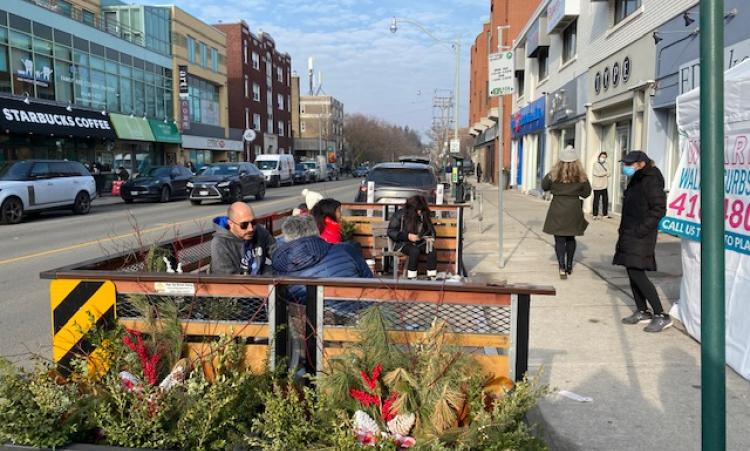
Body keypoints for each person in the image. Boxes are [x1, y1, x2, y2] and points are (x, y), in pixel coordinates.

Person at [614, 151, 671, 333]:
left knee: (637, 272)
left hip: (640, 234)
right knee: (631, 271)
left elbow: (659, 208)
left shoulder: (651, 180)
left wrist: (641, 229)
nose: (626, 167)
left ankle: (661, 314)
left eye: (629, 164)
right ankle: (642, 310)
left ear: (640, 164)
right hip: (630, 232)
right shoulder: (637, 178)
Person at [272, 215, 372, 302]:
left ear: (287, 237)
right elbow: (371, 285)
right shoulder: (346, 250)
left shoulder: (281, 267)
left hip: (304, 321)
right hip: (355, 316)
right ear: (316, 230)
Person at [542, 145, 592, 279]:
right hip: (573, 208)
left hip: (557, 207)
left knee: (559, 239)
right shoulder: (581, 175)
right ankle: (570, 265)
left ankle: (562, 267)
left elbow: (544, 186)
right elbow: (587, 193)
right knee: (571, 237)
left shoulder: (553, 174)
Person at [210, 202, 276, 275]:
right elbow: (228, 280)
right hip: (241, 284)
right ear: (231, 224)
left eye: (253, 222)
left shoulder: (259, 230)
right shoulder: (220, 244)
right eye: (244, 225)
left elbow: (277, 254)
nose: (250, 229)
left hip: (263, 281)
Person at [387, 195, 437, 279]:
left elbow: (432, 231)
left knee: (431, 250)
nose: (419, 211)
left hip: (420, 242)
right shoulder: (400, 214)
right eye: (418, 209)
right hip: (403, 243)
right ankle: (412, 277)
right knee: (414, 251)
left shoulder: (423, 215)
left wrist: (430, 238)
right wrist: (407, 236)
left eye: (421, 209)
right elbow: (391, 231)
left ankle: (432, 276)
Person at [592, 152, 610, 219]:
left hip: (604, 185)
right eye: (602, 156)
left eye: (604, 157)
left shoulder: (607, 164)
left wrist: (604, 173)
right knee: (596, 200)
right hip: (596, 186)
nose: (603, 158)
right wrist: (605, 173)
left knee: (605, 200)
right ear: (599, 157)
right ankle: (595, 214)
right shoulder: (595, 164)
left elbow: (609, 173)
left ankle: (605, 214)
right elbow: (597, 173)